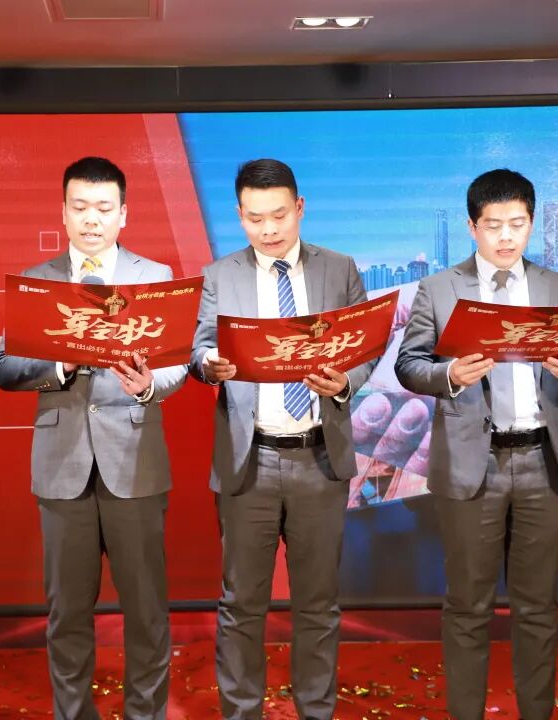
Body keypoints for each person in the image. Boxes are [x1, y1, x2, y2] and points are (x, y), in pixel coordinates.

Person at [394, 168, 558, 720]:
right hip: (472, 465)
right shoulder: (439, 289)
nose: (506, 236)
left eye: (517, 223)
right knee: (467, 605)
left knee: (538, 606)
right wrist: (449, 374)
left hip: (543, 461)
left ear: (531, 223)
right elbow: (409, 364)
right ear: (472, 227)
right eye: (493, 225)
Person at [0, 156, 186, 720]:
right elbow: (5, 368)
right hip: (63, 466)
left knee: (146, 610)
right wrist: (59, 366)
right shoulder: (38, 280)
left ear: (124, 214)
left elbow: (177, 363)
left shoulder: (153, 277)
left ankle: (146, 714)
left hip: (136, 461)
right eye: (79, 207)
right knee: (67, 613)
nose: (91, 219)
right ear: (63, 212)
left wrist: (150, 386)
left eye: (103, 208)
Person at [189, 158, 376, 719]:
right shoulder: (220, 274)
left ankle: (315, 709)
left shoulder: (339, 268)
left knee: (317, 603)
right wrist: (209, 365)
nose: (268, 230)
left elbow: (365, 348)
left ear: (299, 208)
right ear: (239, 216)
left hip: (319, 457)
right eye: (254, 218)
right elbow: (198, 346)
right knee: (241, 602)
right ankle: (241, 711)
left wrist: (346, 382)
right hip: (249, 458)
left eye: (278, 215)